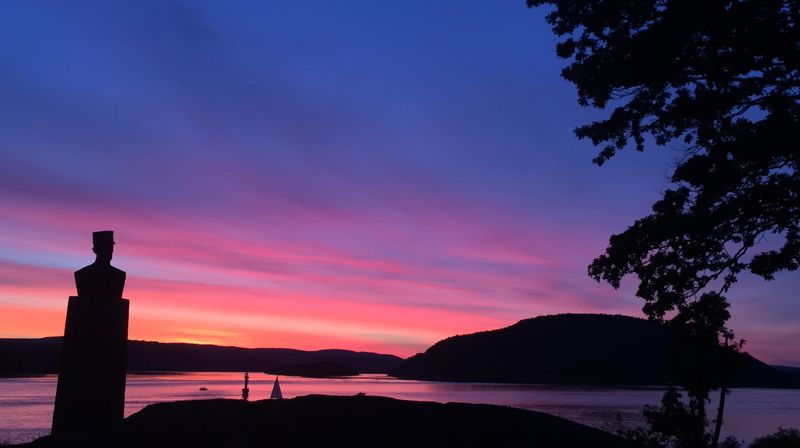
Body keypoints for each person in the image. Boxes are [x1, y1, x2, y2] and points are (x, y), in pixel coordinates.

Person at [74, 230, 126, 300]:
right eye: (105, 247)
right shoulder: (81, 274)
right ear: (95, 250)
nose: (111, 250)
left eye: (110, 247)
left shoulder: (120, 275)